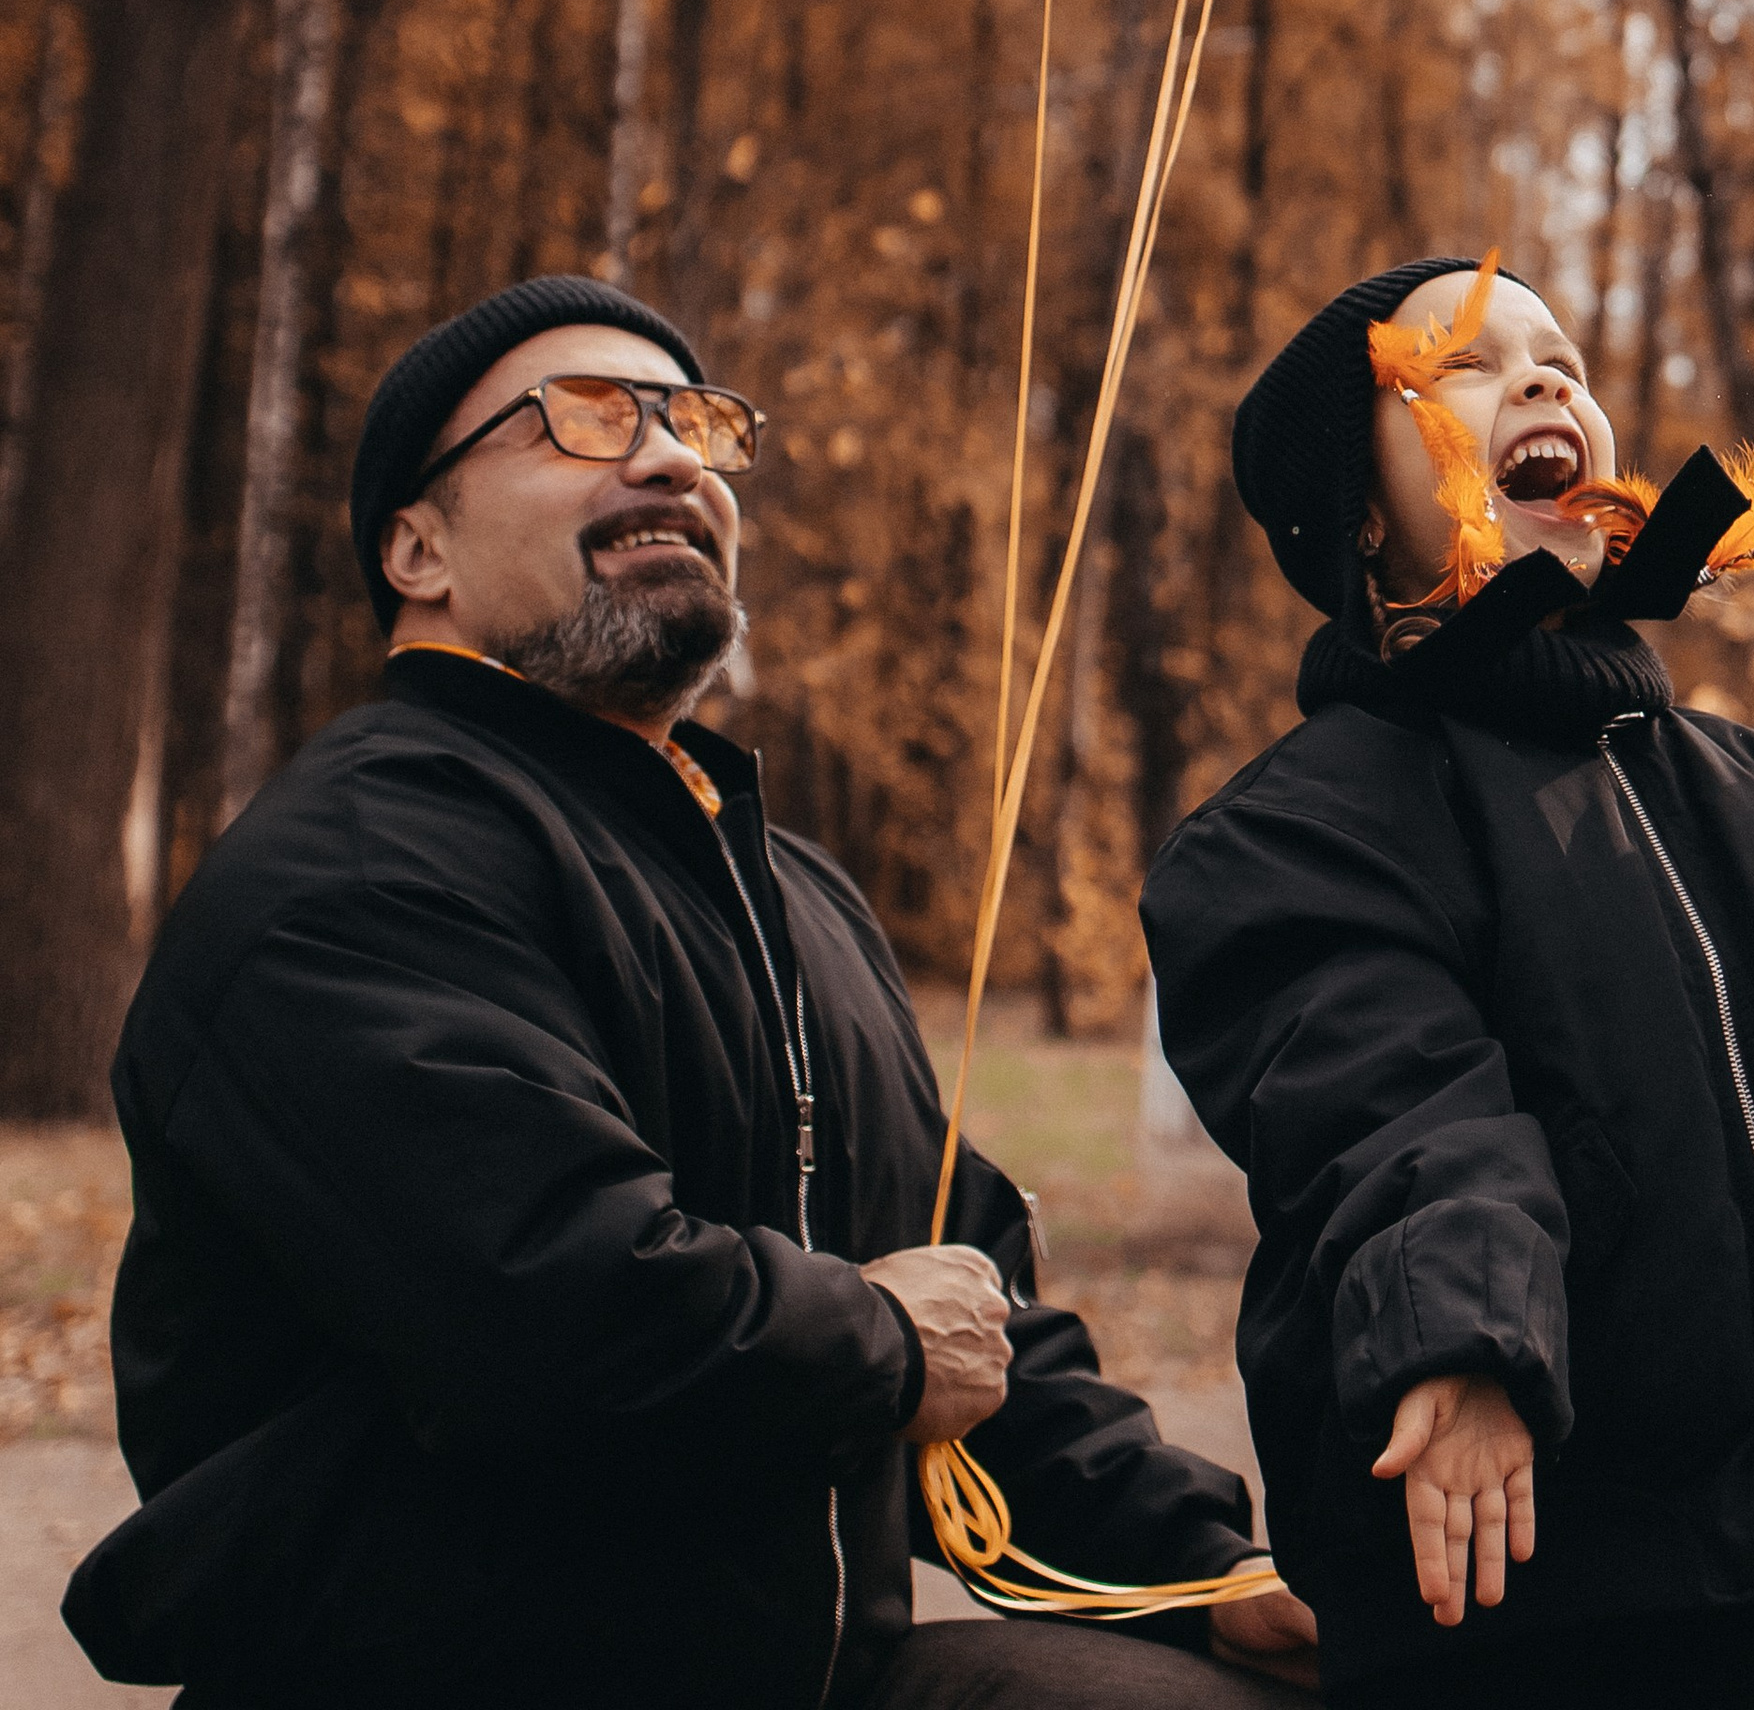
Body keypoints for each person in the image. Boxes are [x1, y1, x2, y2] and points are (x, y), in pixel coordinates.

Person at [68, 272, 1317, 1709]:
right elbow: (554, 1323)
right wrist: (886, 1342)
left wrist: (1207, 1576)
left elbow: (970, 1309)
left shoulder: (792, 892)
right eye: (586, 419)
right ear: (417, 547)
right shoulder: (352, 869)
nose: (669, 457)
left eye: (698, 427)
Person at [1141, 253, 1754, 1710]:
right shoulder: (1299, 831)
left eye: (1564, 358)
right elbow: (1390, 1101)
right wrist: (1463, 1334)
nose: (1548, 378)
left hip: (1714, 1543)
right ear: (1358, 511)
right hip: (1483, 1562)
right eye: (1470, 365)